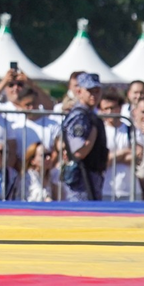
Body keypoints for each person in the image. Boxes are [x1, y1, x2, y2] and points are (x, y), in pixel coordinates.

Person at [59, 73, 108, 201]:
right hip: (82, 179)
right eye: (89, 91)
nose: (94, 95)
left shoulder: (89, 114)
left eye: (97, 91)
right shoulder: (80, 116)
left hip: (91, 176)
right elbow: (79, 152)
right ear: (79, 91)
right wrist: (93, 133)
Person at [99, 92, 139, 201]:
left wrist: (112, 157)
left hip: (131, 189)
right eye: (105, 108)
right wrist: (124, 152)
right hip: (106, 189)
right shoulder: (99, 131)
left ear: (120, 108)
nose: (110, 112)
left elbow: (137, 155)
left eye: (113, 108)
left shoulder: (130, 129)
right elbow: (101, 161)